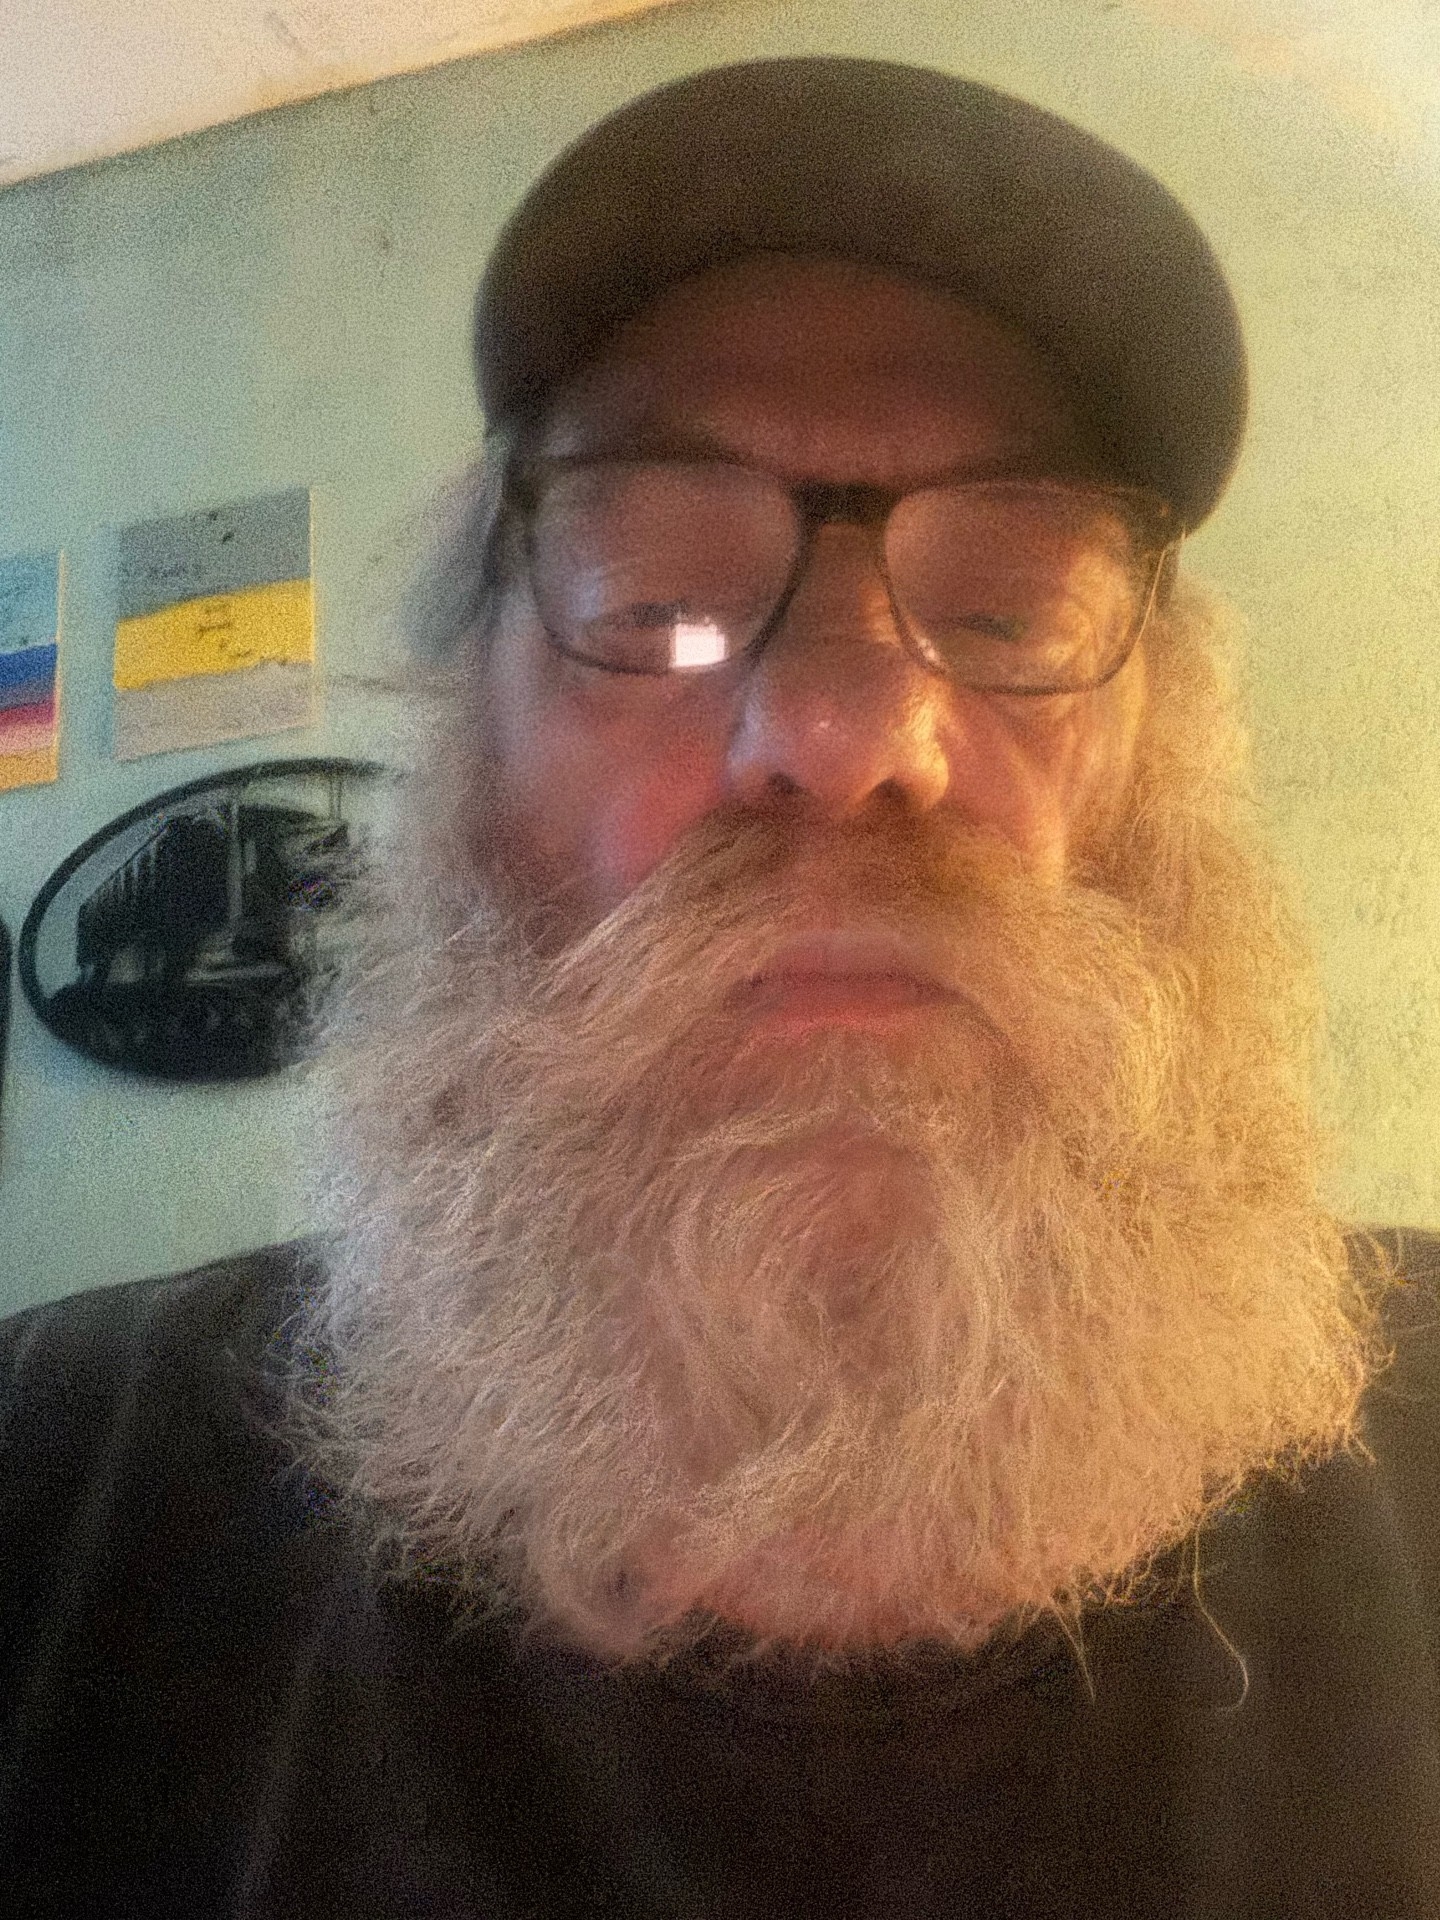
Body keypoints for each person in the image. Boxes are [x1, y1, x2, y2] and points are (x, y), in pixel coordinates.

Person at [2, 56, 1438, 1919]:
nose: (842, 734)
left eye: (1010, 614)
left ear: (1164, 772)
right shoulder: (53, 1489)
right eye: (660, 605)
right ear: (466, 758)